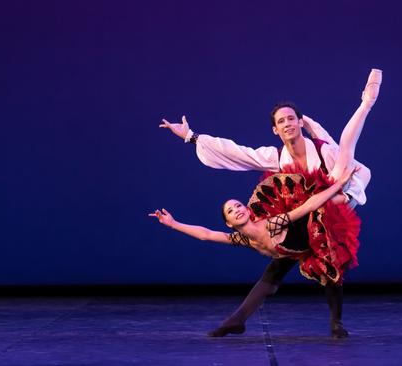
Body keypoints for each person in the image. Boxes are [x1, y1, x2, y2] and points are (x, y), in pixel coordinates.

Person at [159, 69, 381, 338]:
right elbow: (237, 152)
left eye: (291, 118)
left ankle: (336, 323)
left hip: (330, 202)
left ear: (300, 122)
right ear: (275, 129)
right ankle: (237, 318)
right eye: (281, 121)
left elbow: (357, 170)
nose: (287, 124)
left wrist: (345, 194)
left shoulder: (325, 151)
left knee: (329, 256)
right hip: (299, 218)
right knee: (278, 264)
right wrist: (190, 136)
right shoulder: (275, 157)